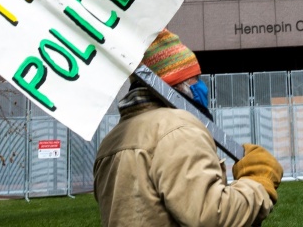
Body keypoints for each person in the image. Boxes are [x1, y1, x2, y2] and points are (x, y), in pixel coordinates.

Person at [94, 29, 283, 226]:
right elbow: (212, 216)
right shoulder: (178, 129)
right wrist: (258, 181)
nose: (202, 86)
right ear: (177, 84)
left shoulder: (111, 141)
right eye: (195, 78)